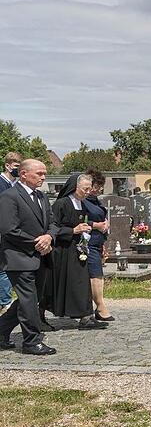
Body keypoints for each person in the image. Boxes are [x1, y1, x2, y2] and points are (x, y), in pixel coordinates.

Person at [0, 159, 59, 355]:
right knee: (28, 300)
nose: (43, 177)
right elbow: (9, 230)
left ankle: (1, 330)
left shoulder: (41, 196)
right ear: (23, 174)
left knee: (31, 299)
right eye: (39, 173)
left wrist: (49, 236)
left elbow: (52, 222)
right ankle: (31, 341)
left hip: (40, 257)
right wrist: (38, 242)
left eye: (44, 173)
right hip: (19, 257)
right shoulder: (9, 196)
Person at [45, 174, 107, 330]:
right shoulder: (61, 204)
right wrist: (72, 230)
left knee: (82, 282)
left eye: (89, 189)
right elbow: (52, 227)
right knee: (56, 285)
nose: (88, 192)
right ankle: (40, 314)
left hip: (78, 249)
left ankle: (86, 317)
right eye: (85, 189)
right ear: (75, 187)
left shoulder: (82, 204)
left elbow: (84, 222)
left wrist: (88, 228)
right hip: (63, 250)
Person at [83, 170, 114, 321]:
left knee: (97, 274)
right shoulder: (83, 200)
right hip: (87, 243)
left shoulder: (96, 201)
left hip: (97, 242)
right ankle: (100, 306)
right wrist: (97, 225)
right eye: (98, 185)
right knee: (96, 275)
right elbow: (77, 219)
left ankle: (96, 308)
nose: (100, 189)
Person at [0, 152, 21, 314]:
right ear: (8, 166)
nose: (18, 170)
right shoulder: (1, 183)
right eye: (16, 166)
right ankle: (5, 301)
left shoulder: (16, 184)